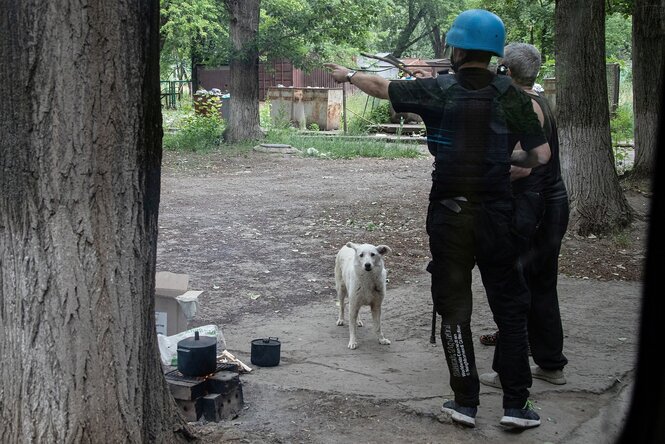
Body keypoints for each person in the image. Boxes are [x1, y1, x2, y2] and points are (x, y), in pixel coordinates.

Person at [325, 9, 550, 430]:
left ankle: (464, 402)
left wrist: (348, 75)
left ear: (457, 48)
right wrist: (505, 157)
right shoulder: (513, 95)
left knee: (454, 308)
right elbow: (540, 157)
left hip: (449, 218)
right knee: (511, 308)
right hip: (499, 217)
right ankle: (517, 405)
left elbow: (382, 85)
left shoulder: (437, 90)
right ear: (494, 52)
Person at [478, 43, 570, 387]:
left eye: (501, 68)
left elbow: (522, 167)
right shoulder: (540, 100)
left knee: (513, 288)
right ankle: (550, 363)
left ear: (508, 72)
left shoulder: (523, 106)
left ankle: (509, 371)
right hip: (552, 204)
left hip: (534, 207)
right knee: (541, 284)